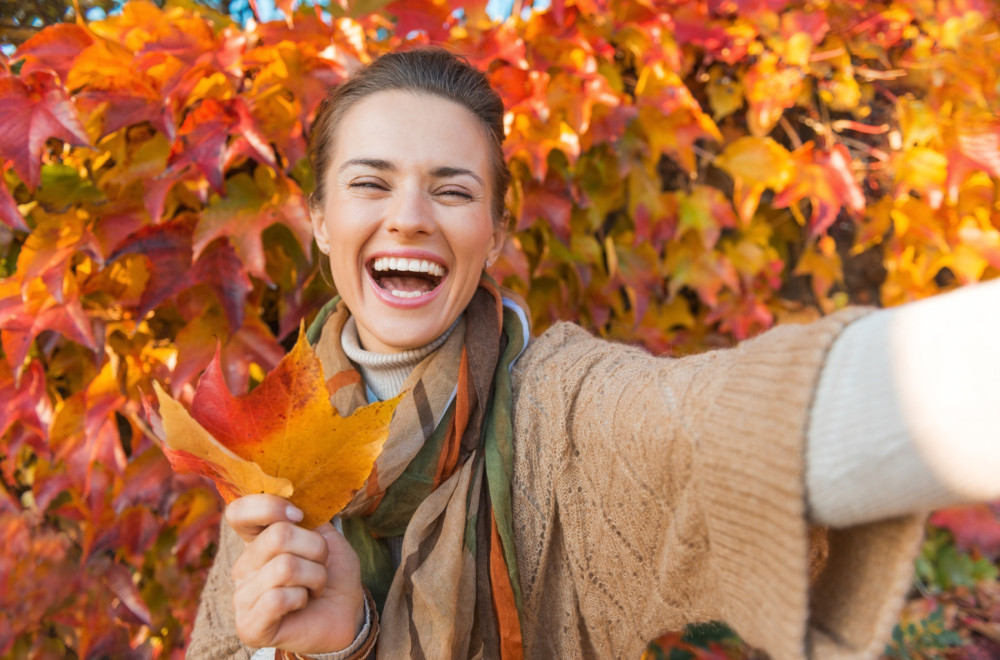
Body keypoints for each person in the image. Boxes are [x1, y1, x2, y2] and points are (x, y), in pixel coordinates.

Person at [187, 48, 1000, 660]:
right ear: (321, 220)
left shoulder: (561, 407)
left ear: (496, 232)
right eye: (370, 183)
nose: (409, 217)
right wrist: (335, 642)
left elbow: (708, 423)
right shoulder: (273, 435)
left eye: (453, 188)